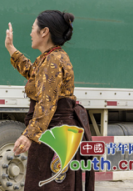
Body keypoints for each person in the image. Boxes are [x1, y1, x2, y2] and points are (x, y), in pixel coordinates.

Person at [5, 10, 94, 191]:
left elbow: (47, 103)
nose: (30, 33)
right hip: (54, 132)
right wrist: (11, 48)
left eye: (33, 29)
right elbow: (33, 73)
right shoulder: (51, 57)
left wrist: (29, 135)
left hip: (54, 135)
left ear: (44, 32)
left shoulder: (53, 60)